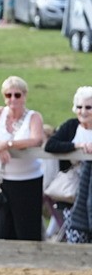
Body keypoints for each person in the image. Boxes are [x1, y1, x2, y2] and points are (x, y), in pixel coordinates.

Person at [0, 75, 45, 240]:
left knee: (27, 231)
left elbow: (36, 140)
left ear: (24, 96)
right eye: (9, 95)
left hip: (27, 181)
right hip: (1, 181)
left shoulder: (34, 117)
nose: (13, 99)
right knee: (2, 230)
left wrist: (8, 144)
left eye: (17, 95)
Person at [44, 86, 92, 243]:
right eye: (79, 107)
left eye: (88, 107)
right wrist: (76, 146)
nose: (83, 111)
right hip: (71, 192)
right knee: (75, 235)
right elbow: (50, 145)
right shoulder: (71, 126)